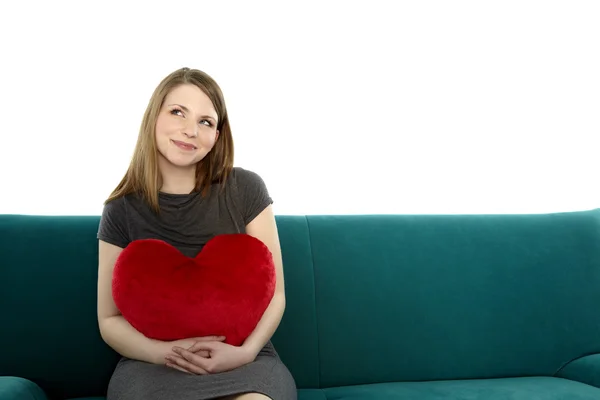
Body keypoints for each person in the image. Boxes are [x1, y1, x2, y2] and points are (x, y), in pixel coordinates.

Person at [96, 67, 297, 400]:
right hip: (153, 364)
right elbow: (109, 319)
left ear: (217, 135)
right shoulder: (121, 209)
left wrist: (244, 353)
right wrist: (166, 353)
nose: (190, 131)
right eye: (178, 112)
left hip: (244, 358)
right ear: (153, 118)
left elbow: (276, 296)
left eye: (206, 121)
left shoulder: (245, 189)